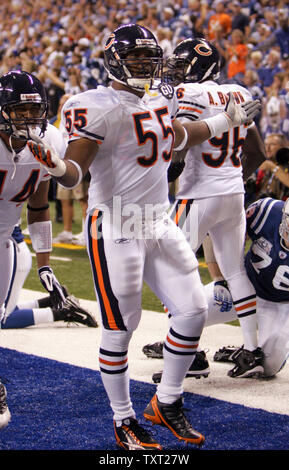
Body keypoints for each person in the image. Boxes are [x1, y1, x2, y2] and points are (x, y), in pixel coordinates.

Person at [27, 24, 260, 450]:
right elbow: (76, 171)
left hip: (158, 219)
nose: (144, 66)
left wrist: (224, 120)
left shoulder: (160, 97)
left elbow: (177, 138)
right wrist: (58, 168)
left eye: (149, 59)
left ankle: (166, 401)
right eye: (135, 59)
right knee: (121, 327)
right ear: (114, 59)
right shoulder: (92, 104)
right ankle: (123, 420)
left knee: (191, 312)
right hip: (115, 224)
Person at [163, 37, 266, 376]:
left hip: (198, 194)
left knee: (167, 268)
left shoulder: (189, 94)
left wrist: (173, 164)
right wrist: (232, 177)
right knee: (235, 270)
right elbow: (258, 153)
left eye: (182, 66)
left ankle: (188, 354)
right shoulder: (241, 92)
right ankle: (252, 352)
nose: (177, 73)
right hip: (233, 191)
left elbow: (184, 138)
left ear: (199, 68)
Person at [0, 70, 77, 430]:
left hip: (5, 240)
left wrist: (45, 265)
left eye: (35, 111)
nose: (30, 119)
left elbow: (39, 206)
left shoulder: (53, 141)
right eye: (20, 111)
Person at [1, 225, 98, 329]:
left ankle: (64, 311)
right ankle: (50, 302)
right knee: (5, 308)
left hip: (11, 252)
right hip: (10, 249)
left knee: (4, 318)